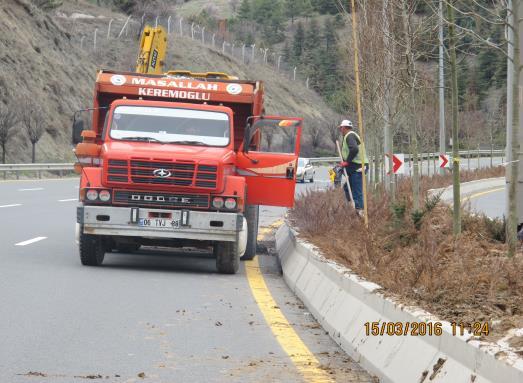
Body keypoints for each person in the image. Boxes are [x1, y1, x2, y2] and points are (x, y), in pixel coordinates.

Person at [338, 119, 368, 215]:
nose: (340, 130)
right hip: (355, 167)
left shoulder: (350, 135)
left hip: (358, 167)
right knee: (347, 188)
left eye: (341, 128)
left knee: (356, 190)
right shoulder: (350, 136)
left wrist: (347, 162)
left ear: (344, 127)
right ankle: (354, 207)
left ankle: (360, 211)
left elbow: (354, 149)